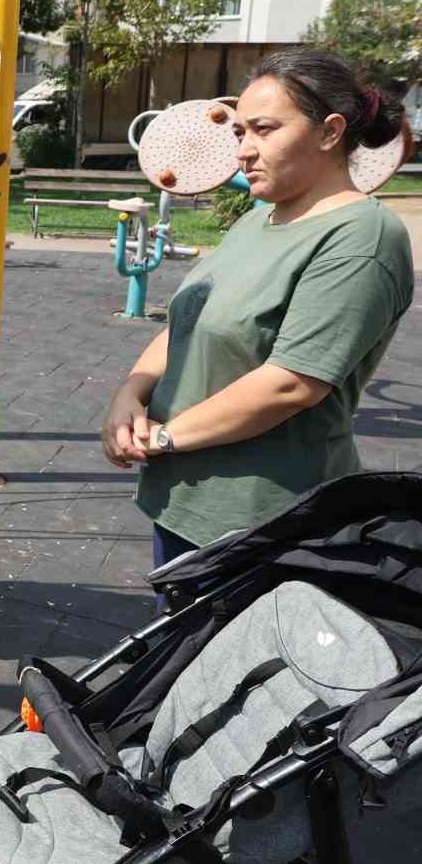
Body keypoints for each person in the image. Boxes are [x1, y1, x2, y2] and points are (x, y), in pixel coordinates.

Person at [102, 47, 415, 576]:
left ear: (330, 132)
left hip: (264, 524)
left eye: (263, 130)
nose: (244, 151)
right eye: (240, 132)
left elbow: (292, 383)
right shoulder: (258, 220)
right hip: (184, 501)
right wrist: (129, 395)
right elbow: (190, 319)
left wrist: (163, 437)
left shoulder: (363, 238)